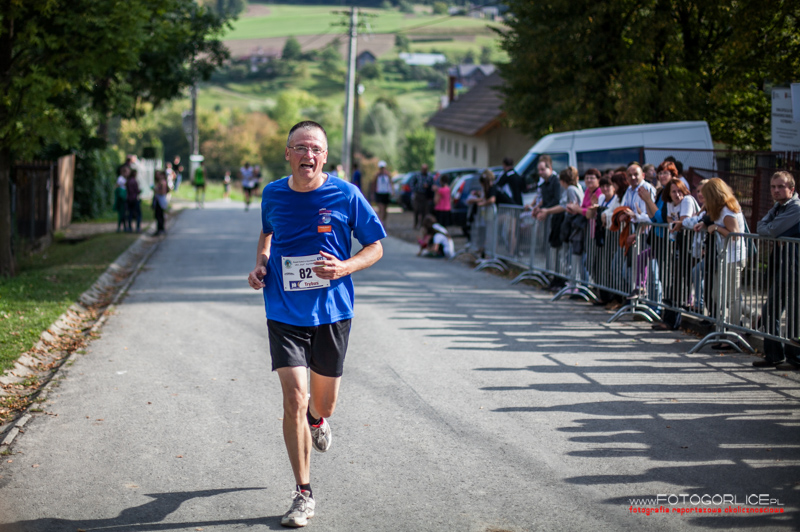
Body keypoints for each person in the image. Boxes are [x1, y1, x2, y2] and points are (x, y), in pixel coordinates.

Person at [247, 121, 385, 528]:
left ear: (325, 157)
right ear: (287, 153)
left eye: (316, 149)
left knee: (322, 404)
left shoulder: (346, 194)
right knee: (293, 398)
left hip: (332, 312)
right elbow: (267, 233)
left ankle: (317, 418)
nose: (308, 155)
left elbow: (375, 247)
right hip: (284, 311)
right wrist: (261, 264)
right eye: (301, 148)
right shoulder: (272, 194)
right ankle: (303, 493)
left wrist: (345, 266)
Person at [754, 171, 800, 369]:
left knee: (793, 315)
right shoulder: (778, 207)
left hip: (795, 267)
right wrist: (771, 229)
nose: (776, 190)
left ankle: (794, 358)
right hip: (782, 266)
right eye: (773, 187)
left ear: (792, 189)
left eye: (781, 186)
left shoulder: (795, 207)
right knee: (770, 310)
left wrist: (772, 230)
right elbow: (761, 226)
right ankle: (774, 355)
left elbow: (771, 230)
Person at [693, 178, 747, 336]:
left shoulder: (727, 210)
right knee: (717, 295)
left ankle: (734, 335)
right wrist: (705, 225)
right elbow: (712, 221)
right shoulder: (719, 208)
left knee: (732, 298)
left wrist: (716, 228)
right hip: (724, 257)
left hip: (734, 257)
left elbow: (735, 235)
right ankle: (753, 316)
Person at [410, 164, 434, 228]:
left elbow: (432, 185)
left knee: (424, 211)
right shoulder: (417, 176)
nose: (424, 170)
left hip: (425, 195)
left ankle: (422, 224)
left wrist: (428, 187)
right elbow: (412, 183)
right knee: (416, 210)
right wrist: (415, 189)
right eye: (423, 169)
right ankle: (416, 223)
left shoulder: (429, 177)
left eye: (425, 169)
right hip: (418, 194)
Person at [373, 160, 392, 225]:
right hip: (379, 193)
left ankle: (384, 220)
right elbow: (374, 184)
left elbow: (390, 183)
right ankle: (381, 222)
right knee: (381, 208)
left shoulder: (388, 175)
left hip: (386, 193)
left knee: (385, 209)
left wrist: (392, 191)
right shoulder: (377, 175)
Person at [152, 170, 169, 236]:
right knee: (158, 215)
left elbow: (162, 192)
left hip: (160, 200)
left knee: (160, 215)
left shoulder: (162, 182)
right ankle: (160, 229)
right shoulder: (160, 182)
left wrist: (156, 190)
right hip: (159, 200)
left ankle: (161, 229)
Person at [126, 168, 142, 233]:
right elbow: (136, 191)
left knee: (130, 213)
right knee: (138, 214)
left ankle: (129, 227)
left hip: (129, 199)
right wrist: (140, 191)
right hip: (134, 199)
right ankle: (138, 227)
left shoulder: (128, 181)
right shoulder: (134, 181)